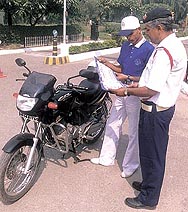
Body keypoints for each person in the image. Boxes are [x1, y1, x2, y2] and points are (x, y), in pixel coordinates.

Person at [110, 7, 187, 209]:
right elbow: (154, 81)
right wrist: (137, 84)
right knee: (150, 152)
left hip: (155, 111)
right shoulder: (171, 45)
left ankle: (148, 198)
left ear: (159, 27)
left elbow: (152, 89)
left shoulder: (164, 51)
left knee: (153, 155)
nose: (146, 33)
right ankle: (148, 185)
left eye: (148, 29)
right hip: (158, 108)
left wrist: (126, 92)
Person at [90, 15, 154, 178]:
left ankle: (131, 164)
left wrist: (128, 78)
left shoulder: (149, 50)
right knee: (113, 123)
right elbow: (121, 68)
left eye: (131, 34)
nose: (128, 38)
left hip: (135, 93)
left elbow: (150, 78)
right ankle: (107, 157)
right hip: (120, 90)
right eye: (126, 35)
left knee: (133, 130)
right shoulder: (126, 46)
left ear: (139, 30)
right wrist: (106, 64)